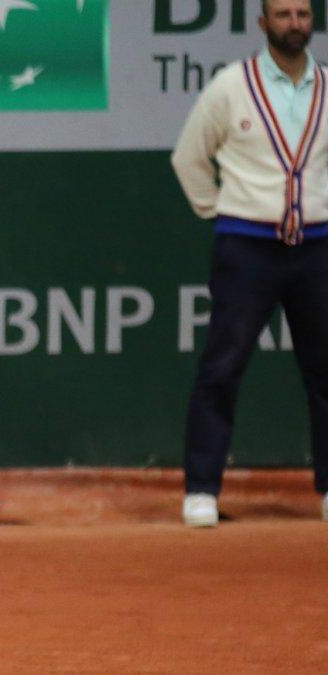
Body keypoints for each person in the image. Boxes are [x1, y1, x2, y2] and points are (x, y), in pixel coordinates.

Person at [171, 0, 328, 527]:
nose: (294, 23)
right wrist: (220, 210)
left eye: (303, 14)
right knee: (223, 366)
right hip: (247, 246)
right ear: (262, 24)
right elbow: (189, 156)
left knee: (325, 370)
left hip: (319, 245)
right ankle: (201, 491)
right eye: (282, 14)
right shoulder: (230, 86)